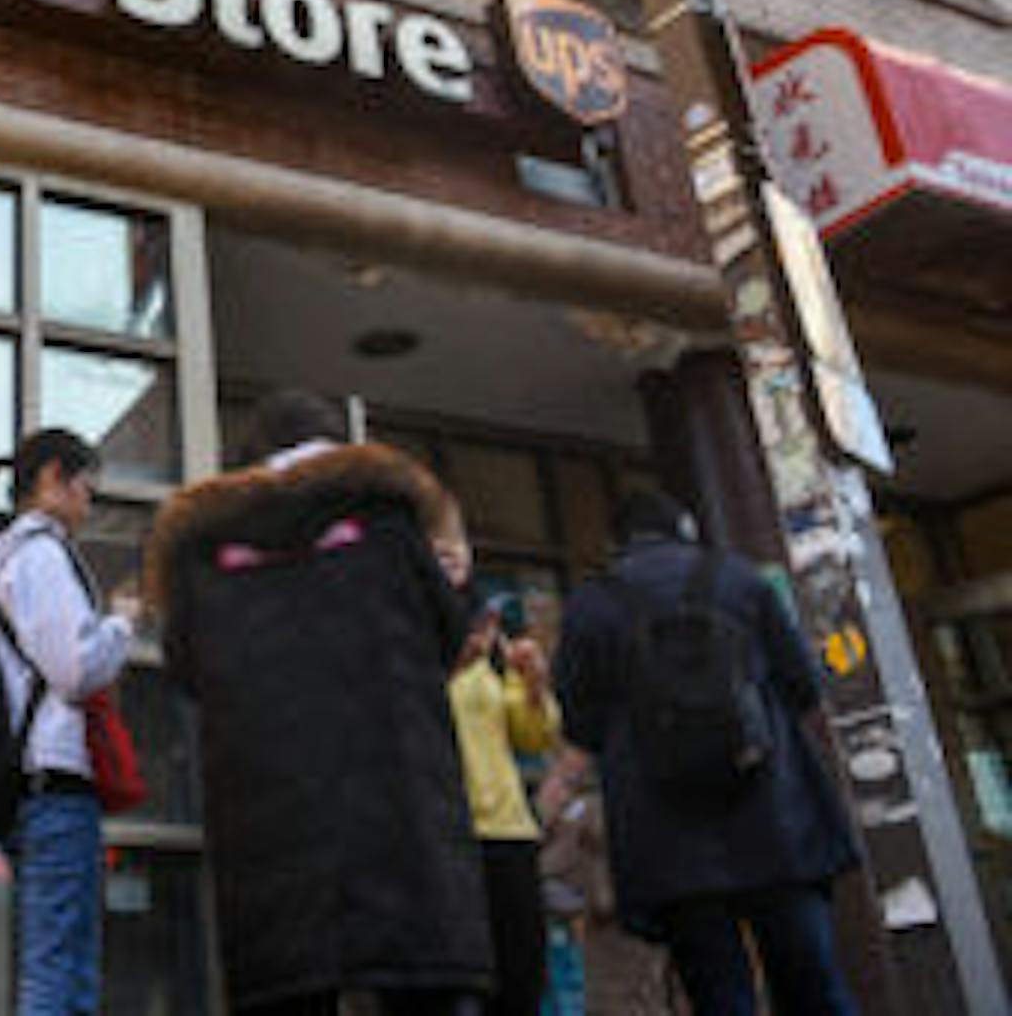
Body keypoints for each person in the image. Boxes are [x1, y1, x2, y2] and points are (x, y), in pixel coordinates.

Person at [146, 389, 491, 1015]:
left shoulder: (202, 549)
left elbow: (186, 667)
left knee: (288, 986)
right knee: (424, 984)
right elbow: (449, 634)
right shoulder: (388, 520)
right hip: (396, 798)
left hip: (267, 814)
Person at [552, 491, 861, 1016]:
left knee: (719, 996)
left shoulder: (592, 605)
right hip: (774, 818)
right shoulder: (741, 581)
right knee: (813, 986)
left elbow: (583, 723)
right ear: (686, 528)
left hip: (668, 837)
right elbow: (804, 687)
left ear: (617, 543)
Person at [0, 429, 137, 1016]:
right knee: (59, 974)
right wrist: (121, 624)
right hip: (55, 785)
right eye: (86, 488)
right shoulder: (38, 555)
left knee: (58, 967)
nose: (89, 505)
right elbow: (76, 669)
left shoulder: (0, 561)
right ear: (52, 477)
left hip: (27, 784)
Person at [446, 581, 558, 1016]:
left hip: (507, 830)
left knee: (522, 980)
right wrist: (454, 666)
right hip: (446, 835)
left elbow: (534, 736)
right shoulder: (419, 645)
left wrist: (534, 685)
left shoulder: (493, 655)